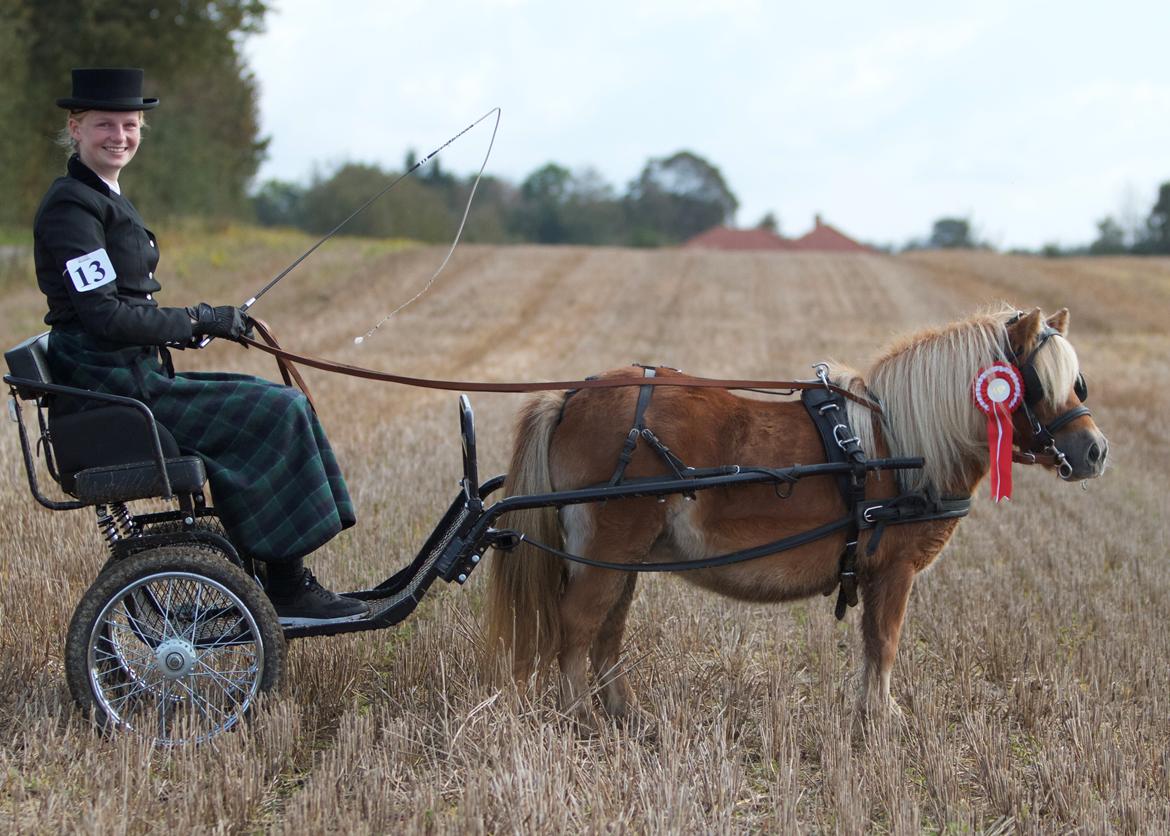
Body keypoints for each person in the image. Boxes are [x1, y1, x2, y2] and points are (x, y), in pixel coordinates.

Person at [34, 67, 366, 624]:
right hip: (112, 384)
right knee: (276, 411)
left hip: (132, 372)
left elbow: (125, 310)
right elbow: (104, 314)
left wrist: (200, 325)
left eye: (129, 124)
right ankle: (284, 586)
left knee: (282, 403)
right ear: (76, 127)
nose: (119, 135)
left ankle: (276, 572)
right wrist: (193, 319)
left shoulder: (102, 196)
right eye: (104, 125)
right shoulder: (73, 208)